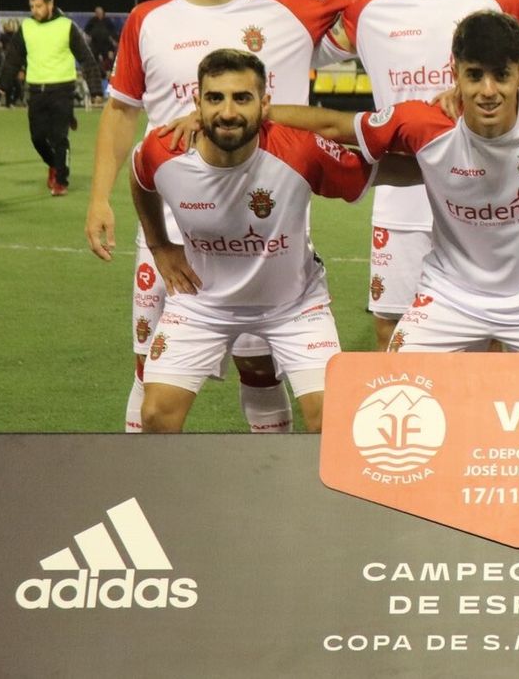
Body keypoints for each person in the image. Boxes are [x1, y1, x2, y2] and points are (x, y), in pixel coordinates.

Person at [272, 10, 519, 354]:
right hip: (448, 302)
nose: (488, 91)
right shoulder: (426, 124)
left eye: (501, 75)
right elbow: (335, 125)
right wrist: (262, 113)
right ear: (454, 73)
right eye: (474, 76)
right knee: (397, 390)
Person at [316, 0, 519, 353]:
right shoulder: (367, 9)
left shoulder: (497, 1)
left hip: (490, 198)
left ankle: (489, 430)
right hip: (403, 197)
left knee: (493, 337)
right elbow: (290, 50)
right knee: (394, 332)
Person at [130, 49, 385, 432]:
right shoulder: (164, 150)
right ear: (197, 102)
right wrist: (159, 245)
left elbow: (376, 169)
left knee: (331, 418)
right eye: (215, 98)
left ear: (264, 104)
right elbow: (139, 178)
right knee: (155, 414)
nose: (228, 112)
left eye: (242, 98)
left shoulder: (299, 150)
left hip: (294, 306)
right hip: (202, 306)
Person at [0, 0, 103, 196]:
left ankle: (61, 180)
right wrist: (4, 84)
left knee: (59, 137)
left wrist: (95, 89)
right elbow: (12, 58)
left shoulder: (66, 26)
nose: (34, 10)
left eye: (38, 6)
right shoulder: (26, 27)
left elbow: (86, 58)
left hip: (62, 90)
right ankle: (54, 164)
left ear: (49, 5)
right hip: (36, 91)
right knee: (37, 138)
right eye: (32, 7)